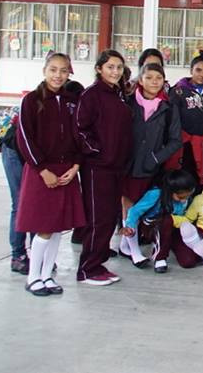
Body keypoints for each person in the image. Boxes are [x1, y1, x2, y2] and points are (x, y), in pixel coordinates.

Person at [15, 52, 86, 296]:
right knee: (44, 226)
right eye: (53, 69)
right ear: (45, 70)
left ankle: (47, 276)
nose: (58, 75)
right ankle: (33, 277)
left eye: (63, 70)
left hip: (66, 171)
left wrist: (76, 165)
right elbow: (24, 138)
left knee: (57, 228)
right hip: (42, 171)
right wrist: (42, 169)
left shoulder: (72, 100)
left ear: (69, 73)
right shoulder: (32, 100)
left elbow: (79, 136)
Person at [74, 49, 133, 286]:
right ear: (99, 69)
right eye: (110, 67)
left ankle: (98, 263)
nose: (115, 71)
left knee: (109, 217)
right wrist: (98, 152)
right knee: (98, 219)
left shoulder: (117, 94)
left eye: (119, 67)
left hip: (116, 167)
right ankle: (87, 269)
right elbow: (80, 128)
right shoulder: (91, 95)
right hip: (97, 168)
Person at [119, 62, 182, 268]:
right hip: (127, 163)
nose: (154, 82)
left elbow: (175, 141)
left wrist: (156, 158)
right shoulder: (128, 102)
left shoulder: (168, 107)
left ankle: (126, 244)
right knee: (128, 207)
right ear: (140, 80)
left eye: (158, 77)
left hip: (150, 167)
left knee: (141, 206)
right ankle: (133, 250)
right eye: (149, 77)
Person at [122, 169, 198, 273]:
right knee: (167, 220)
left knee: (188, 261)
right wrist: (129, 225)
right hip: (152, 226)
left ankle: (166, 245)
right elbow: (135, 211)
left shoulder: (188, 199)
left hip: (174, 228)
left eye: (187, 196)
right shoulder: (156, 194)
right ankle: (160, 258)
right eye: (180, 197)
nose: (184, 200)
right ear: (170, 191)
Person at [170, 52, 203, 184]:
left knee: (202, 179)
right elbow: (173, 117)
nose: (202, 74)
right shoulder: (179, 91)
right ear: (191, 70)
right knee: (185, 178)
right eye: (198, 70)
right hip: (185, 143)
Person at [0, 106, 28, 274]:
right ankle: (18, 256)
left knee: (33, 204)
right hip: (14, 150)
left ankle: (37, 253)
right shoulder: (37, 100)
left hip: (31, 153)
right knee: (20, 203)